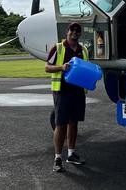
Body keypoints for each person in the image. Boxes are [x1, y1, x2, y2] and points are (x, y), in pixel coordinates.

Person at [45, 22, 89, 173]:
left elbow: (86, 69)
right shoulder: (57, 48)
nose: (75, 32)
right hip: (62, 91)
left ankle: (71, 154)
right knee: (60, 125)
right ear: (67, 32)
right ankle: (58, 157)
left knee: (74, 123)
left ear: (80, 33)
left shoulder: (83, 50)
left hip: (77, 92)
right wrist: (61, 67)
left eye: (78, 30)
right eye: (72, 30)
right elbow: (47, 67)